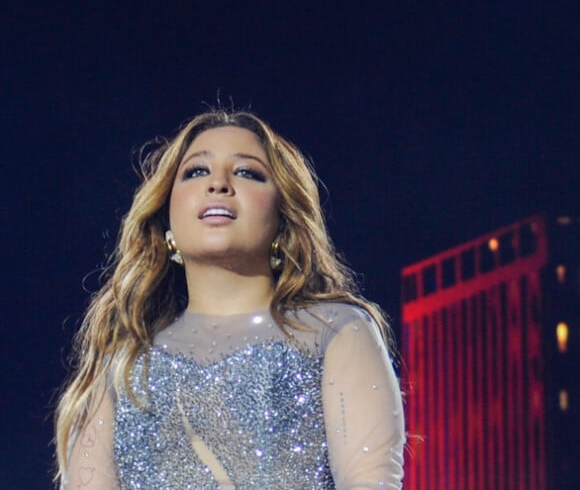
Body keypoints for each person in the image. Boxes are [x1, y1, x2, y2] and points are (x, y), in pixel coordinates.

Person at [55, 109, 405, 489]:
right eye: (196, 172)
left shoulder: (335, 332)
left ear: (283, 217)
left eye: (247, 172)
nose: (218, 183)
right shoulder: (121, 366)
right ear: (166, 218)